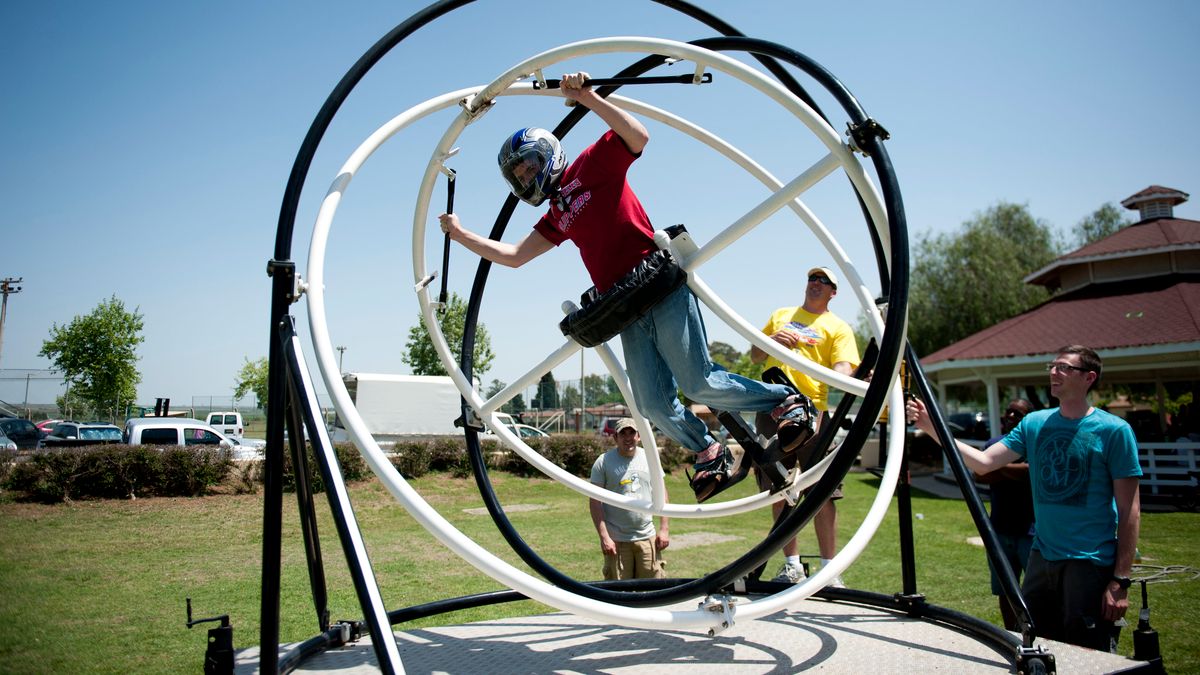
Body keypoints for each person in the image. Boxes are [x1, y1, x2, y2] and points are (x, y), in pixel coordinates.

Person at [439, 72, 808, 502]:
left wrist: (588, 97)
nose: (526, 177)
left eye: (529, 165)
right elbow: (515, 255)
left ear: (548, 155)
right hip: (624, 307)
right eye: (519, 175)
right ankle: (708, 449)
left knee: (698, 383)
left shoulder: (592, 163)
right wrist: (461, 236)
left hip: (657, 285)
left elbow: (637, 136)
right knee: (650, 403)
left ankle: (784, 401)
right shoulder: (556, 212)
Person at [906, 345, 1141, 651]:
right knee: (1036, 645)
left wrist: (1120, 580)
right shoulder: (1034, 424)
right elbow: (984, 462)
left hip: (1089, 563)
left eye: (1065, 367)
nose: (1054, 372)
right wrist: (931, 426)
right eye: (1052, 366)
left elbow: (1130, 510)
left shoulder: (1114, 431)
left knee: (1088, 653)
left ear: (1089, 378)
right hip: (1042, 558)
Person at [749, 267, 860, 586]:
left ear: (833, 293)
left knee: (823, 490)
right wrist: (772, 341)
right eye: (813, 278)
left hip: (812, 412)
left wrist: (852, 375)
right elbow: (756, 355)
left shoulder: (838, 327)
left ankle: (828, 570)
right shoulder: (781, 315)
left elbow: (843, 369)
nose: (816, 283)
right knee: (780, 488)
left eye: (824, 281)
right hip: (772, 407)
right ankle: (792, 565)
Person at [974, 398, 1036, 631]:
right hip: (999, 529)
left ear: (1028, 418)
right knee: (1005, 589)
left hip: (1030, 531)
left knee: (1036, 590)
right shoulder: (994, 443)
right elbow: (979, 475)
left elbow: (1029, 474)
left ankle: (1035, 633)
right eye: (1008, 412)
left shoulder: (1034, 443)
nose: (1010, 416)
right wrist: (1010, 470)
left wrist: (993, 466)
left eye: (1017, 414)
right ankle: (1012, 633)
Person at [589, 418, 669, 579]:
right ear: (615, 437)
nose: (628, 438)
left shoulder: (650, 458)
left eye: (632, 433)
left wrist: (664, 529)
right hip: (617, 540)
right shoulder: (603, 462)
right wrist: (604, 537)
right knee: (618, 590)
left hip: (647, 537)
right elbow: (595, 502)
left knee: (652, 589)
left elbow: (662, 493)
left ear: (638, 436)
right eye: (623, 433)